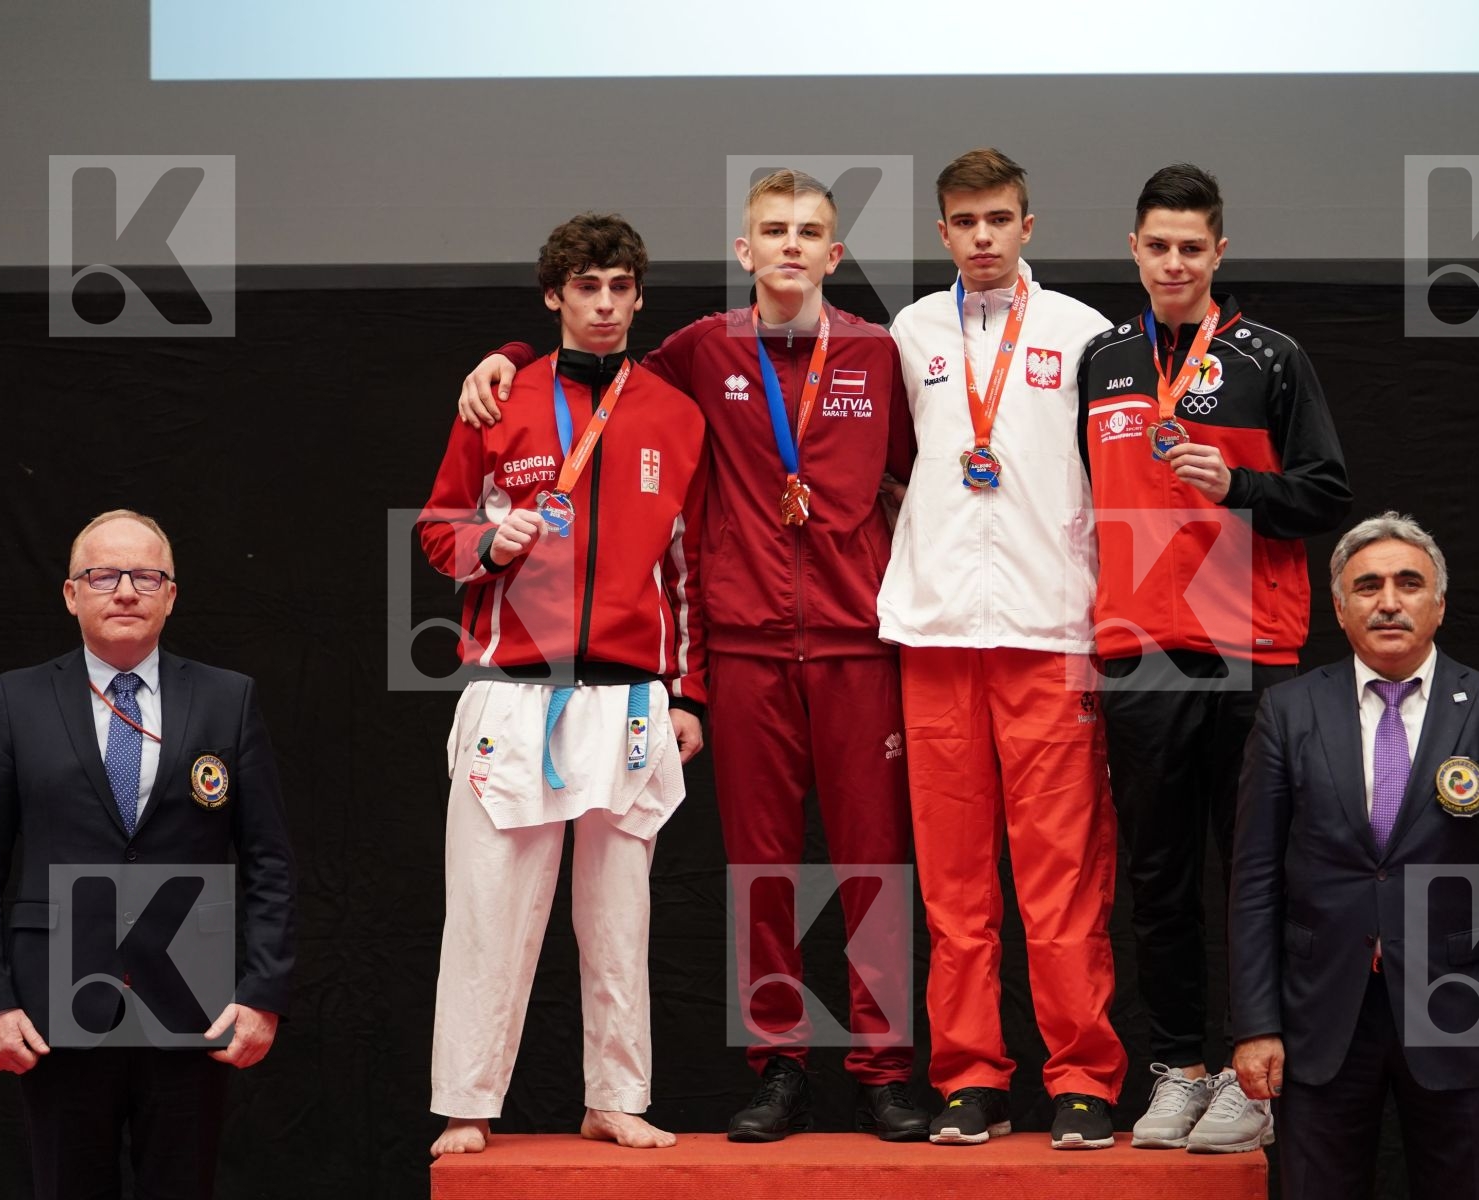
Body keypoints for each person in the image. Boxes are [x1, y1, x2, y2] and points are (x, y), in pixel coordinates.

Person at [454, 170, 925, 1142]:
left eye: (809, 232)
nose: (790, 245)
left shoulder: (879, 354)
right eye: (772, 230)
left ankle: (882, 1071)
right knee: (762, 869)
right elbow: (595, 365)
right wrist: (506, 355)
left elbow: (928, 480)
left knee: (873, 863)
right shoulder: (703, 350)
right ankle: (781, 1067)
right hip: (747, 647)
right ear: (743, 251)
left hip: (858, 645)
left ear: (835, 254)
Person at [421, 212, 709, 1155]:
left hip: (630, 699)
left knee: (620, 917)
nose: (605, 306)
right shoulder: (499, 399)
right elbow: (437, 528)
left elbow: (689, 569)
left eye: (621, 288)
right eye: (587, 287)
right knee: (488, 910)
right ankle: (468, 1104)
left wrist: (690, 695)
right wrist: (487, 543)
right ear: (554, 296)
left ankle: (615, 1097)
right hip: (513, 689)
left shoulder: (675, 413)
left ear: (639, 295)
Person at [1077, 163, 1351, 1149]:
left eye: (1192, 247)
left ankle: (1254, 1075)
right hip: (1140, 653)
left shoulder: (1271, 358)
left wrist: (1240, 485)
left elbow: (1328, 494)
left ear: (1219, 252)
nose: (1174, 263)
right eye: (1158, 246)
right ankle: (1179, 1070)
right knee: (1158, 879)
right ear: (1134, 248)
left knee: (1256, 872)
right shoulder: (1104, 360)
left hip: (1248, 648)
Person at [880, 148, 1123, 1150]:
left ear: (1029, 225)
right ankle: (970, 1076)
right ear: (941, 232)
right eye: (965, 221)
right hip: (936, 627)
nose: (982, 237)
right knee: (954, 884)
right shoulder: (910, 332)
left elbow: (1115, 473)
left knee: (1062, 876)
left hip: (1050, 627)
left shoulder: (1082, 331)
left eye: (999, 219)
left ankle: (1084, 1079)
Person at [0, 509, 296, 1200]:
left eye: (146, 576)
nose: (127, 591)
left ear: (171, 595)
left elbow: (270, 863)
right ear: (71, 594)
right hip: (54, 1006)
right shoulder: (17, 700)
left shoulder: (227, 699)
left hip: (191, 1000)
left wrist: (263, 994)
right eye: (104, 575)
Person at [1228, 512, 1479, 1193]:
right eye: (1368, 586)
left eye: (1409, 584)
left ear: (1438, 604)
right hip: (1318, 1017)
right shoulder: (1288, 713)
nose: (1388, 601)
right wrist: (1255, 1024)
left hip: (1461, 1013)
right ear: (1339, 608)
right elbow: (1255, 879)